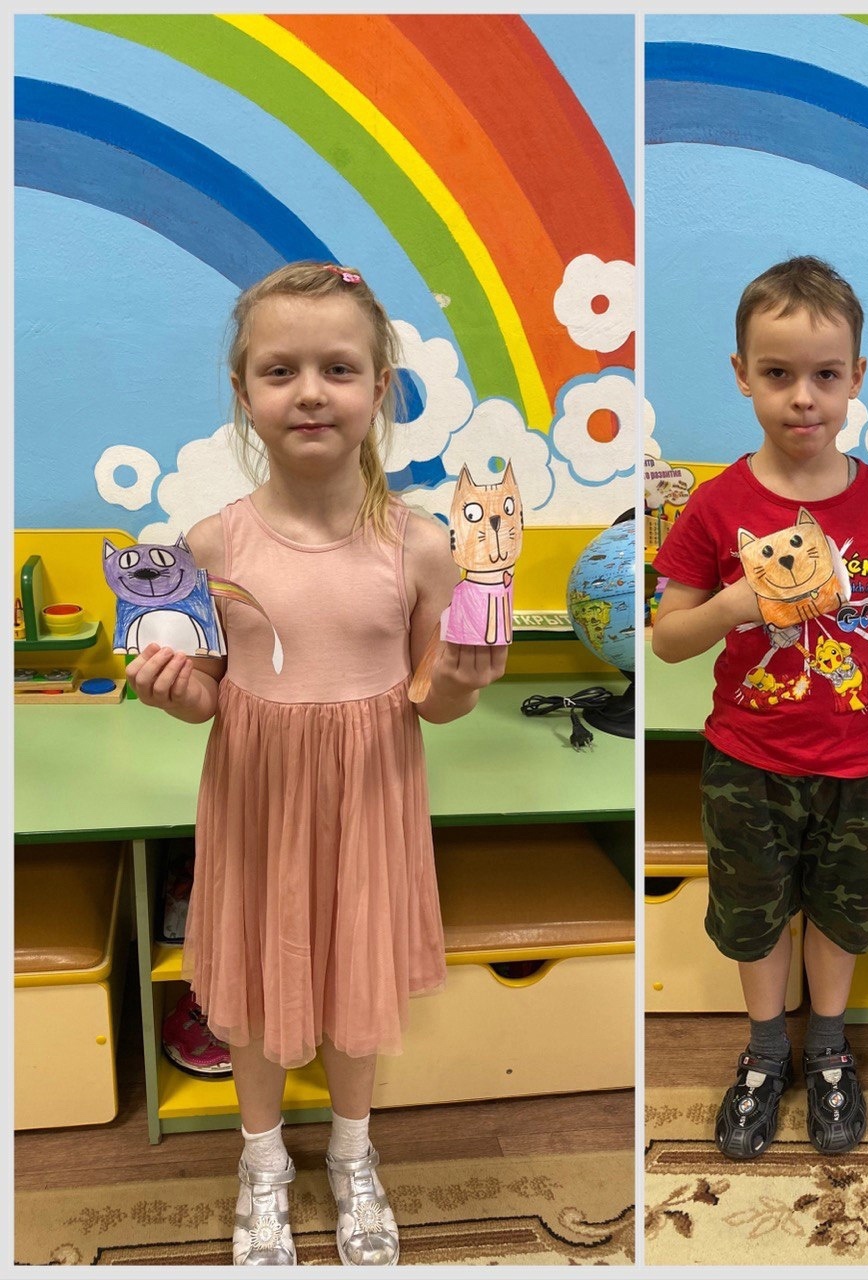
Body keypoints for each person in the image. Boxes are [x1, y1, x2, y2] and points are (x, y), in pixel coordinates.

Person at [127, 261, 506, 1264]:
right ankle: (261, 1164)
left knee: (353, 983)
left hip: (370, 797)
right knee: (253, 986)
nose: (309, 392)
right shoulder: (212, 543)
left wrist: (464, 679)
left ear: (379, 389)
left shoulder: (421, 547)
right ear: (244, 392)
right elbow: (208, 688)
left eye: (337, 369)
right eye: (279, 370)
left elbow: (433, 697)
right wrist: (174, 690)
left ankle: (350, 1152)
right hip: (255, 800)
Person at [651, 256, 868, 1160]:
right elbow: (668, 638)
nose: (803, 398)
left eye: (825, 375)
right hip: (748, 761)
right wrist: (735, 605)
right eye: (777, 374)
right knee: (754, 914)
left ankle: (830, 1050)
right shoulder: (715, 506)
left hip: (858, 763)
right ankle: (768, 1054)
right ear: (741, 375)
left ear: (856, 377)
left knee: (842, 914)